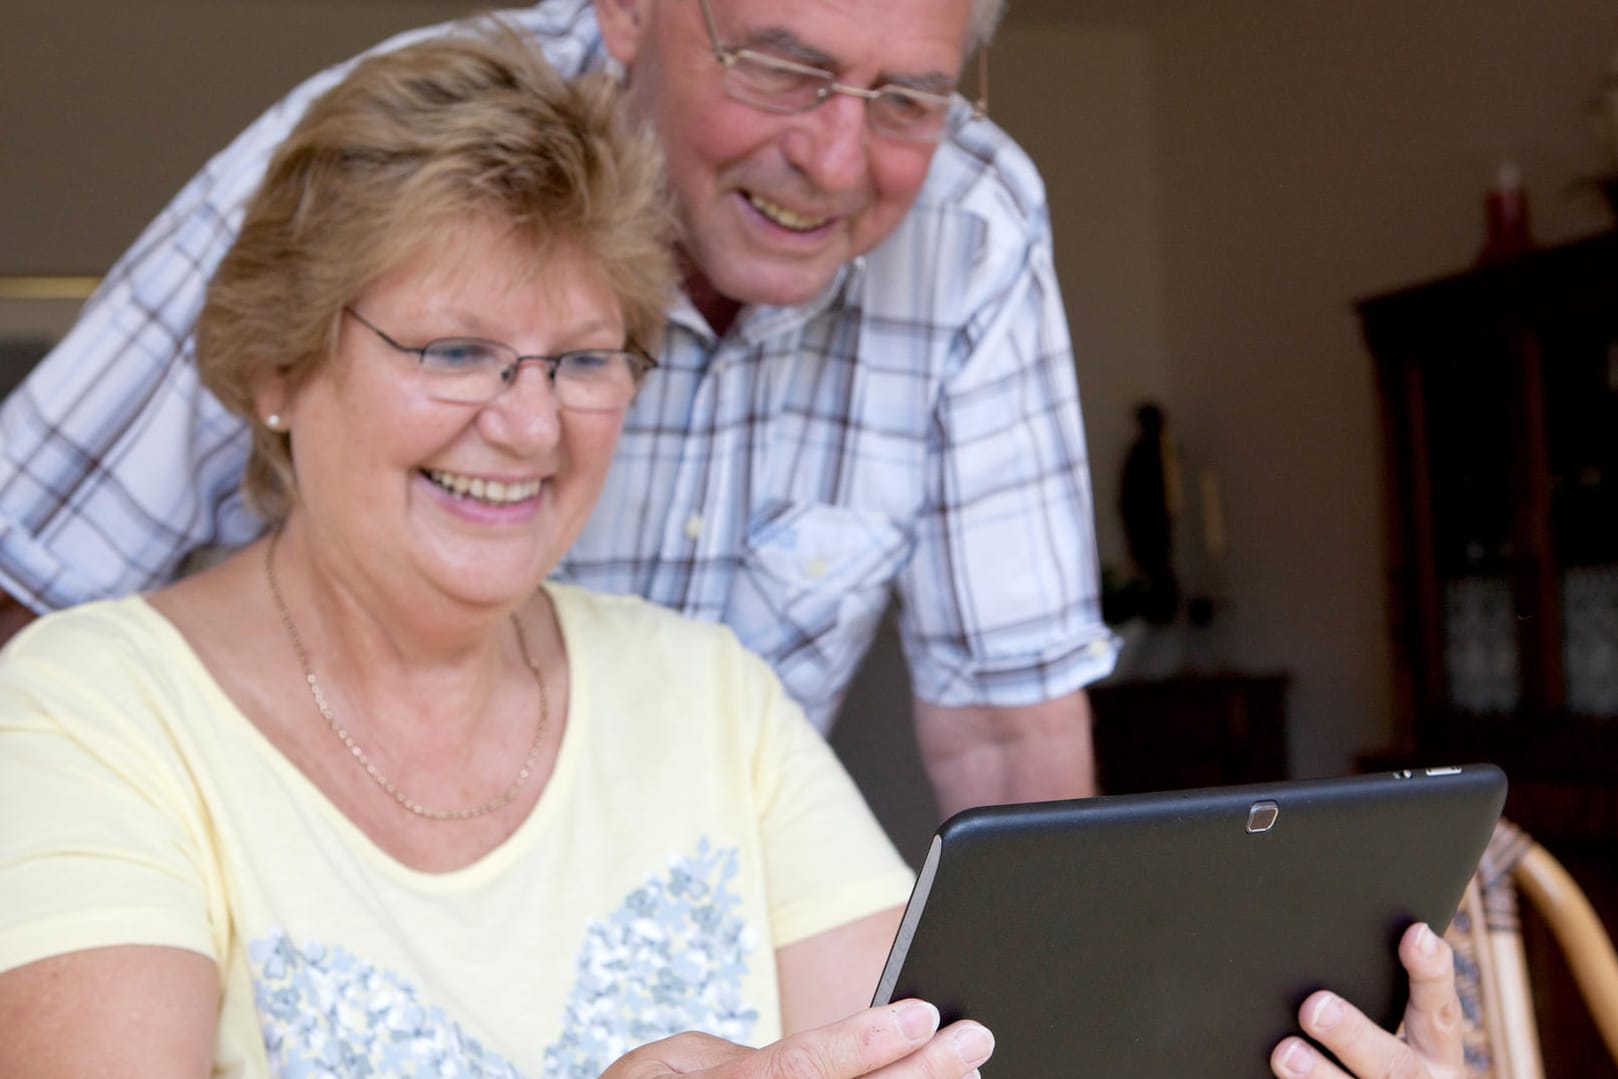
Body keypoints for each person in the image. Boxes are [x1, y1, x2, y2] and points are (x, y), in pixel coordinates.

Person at [0, 24, 1469, 1079]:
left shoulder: (711, 696)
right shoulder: (81, 708)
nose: (526, 423)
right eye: (454, 347)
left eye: (586, 359)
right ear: (276, 364)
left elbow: (975, 1028)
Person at [0, 0, 1118, 818]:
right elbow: (28, 586)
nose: (833, 160)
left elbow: (1010, 730)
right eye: (780, 68)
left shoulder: (973, 220)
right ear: (629, 12)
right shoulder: (394, 148)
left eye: (907, 100)